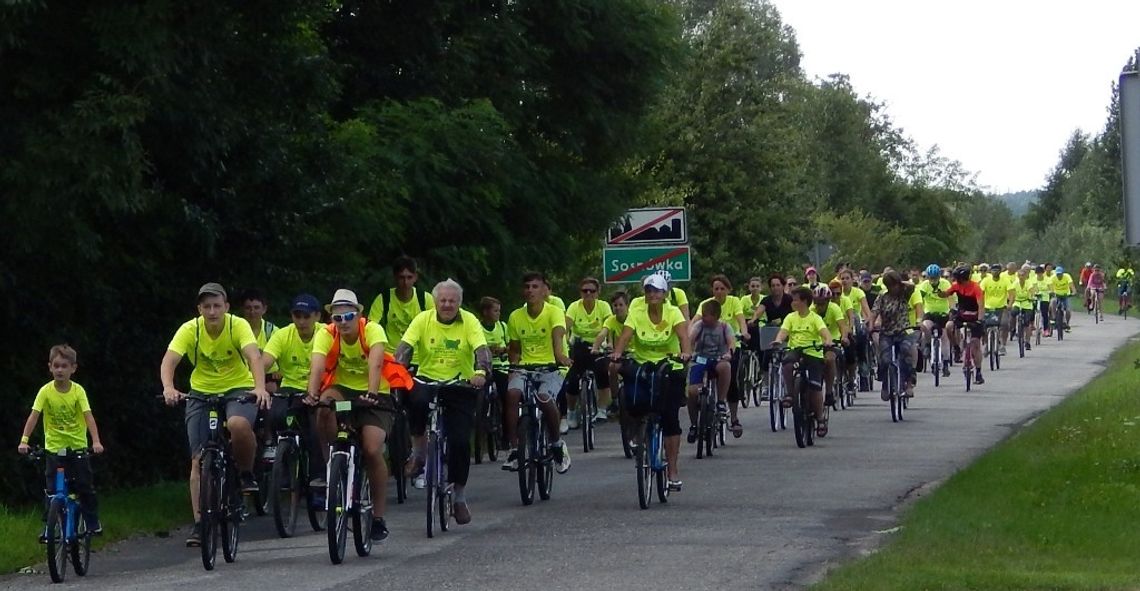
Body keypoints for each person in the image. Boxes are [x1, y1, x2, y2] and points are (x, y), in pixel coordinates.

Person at [161, 282, 269, 547]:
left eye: (216, 306)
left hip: (237, 388)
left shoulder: (237, 326)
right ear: (199, 309)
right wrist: (168, 388)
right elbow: (169, 360)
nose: (212, 311)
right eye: (206, 306)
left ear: (226, 307)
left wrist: (259, 387)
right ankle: (200, 524)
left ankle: (245, 473)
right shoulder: (190, 329)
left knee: (238, 424)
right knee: (197, 460)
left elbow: (254, 357)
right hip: (201, 392)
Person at [396, 279, 491, 525]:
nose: (447, 305)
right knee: (413, 398)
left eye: (452, 301)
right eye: (443, 301)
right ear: (435, 302)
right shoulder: (422, 319)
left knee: (460, 441)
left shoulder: (469, 320)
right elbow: (404, 348)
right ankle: (418, 454)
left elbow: (481, 350)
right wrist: (398, 369)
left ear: (459, 303)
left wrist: (481, 372)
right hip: (428, 379)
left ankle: (459, 497)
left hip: (460, 384)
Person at [307, 288, 398, 542]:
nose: (343, 322)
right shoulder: (326, 333)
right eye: (338, 318)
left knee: (371, 449)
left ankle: (378, 517)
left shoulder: (371, 329)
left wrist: (371, 392)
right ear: (331, 319)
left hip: (375, 391)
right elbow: (317, 365)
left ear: (358, 314)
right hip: (343, 391)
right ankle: (332, 464)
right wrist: (312, 395)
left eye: (348, 316)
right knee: (324, 406)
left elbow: (376, 363)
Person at [612, 273, 691, 490]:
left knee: (669, 417)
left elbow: (684, 336)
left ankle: (672, 470)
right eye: (648, 290)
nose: (652, 294)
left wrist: (685, 353)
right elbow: (626, 336)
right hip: (643, 365)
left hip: (669, 366)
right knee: (634, 400)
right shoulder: (636, 314)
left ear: (665, 294)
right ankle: (639, 434)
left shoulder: (673, 312)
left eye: (656, 290)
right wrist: (618, 353)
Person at [18, 344, 105, 536]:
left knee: (84, 485)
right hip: (54, 447)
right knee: (51, 490)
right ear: (50, 367)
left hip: (77, 447)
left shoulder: (78, 391)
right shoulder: (45, 391)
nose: (59, 370)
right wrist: (24, 440)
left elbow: (88, 416)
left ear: (73, 368)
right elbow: (34, 416)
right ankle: (50, 527)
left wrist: (96, 441)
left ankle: (92, 521)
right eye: (56, 365)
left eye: (64, 366)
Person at [502, 272, 573, 474]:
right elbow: (515, 349)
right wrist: (512, 368)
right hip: (525, 366)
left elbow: (558, 336)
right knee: (512, 394)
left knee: (543, 397)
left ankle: (557, 445)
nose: (531, 290)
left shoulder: (554, 312)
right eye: (527, 287)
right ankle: (515, 449)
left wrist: (560, 356)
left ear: (544, 290)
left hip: (552, 366)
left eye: (535, 286)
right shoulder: (516, 316)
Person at [261, 294, 324, 489]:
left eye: (306, 316)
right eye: (297, 316)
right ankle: (285, 461)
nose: (302, 321)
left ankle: (319, 475)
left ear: (317, 316)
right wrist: (257, 381)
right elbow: (266, 360)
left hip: (320, 386)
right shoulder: (283, 335)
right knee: (274, 414)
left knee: (316, 427)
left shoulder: (326, 333)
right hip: (291, 386)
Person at [772, 286, 834, 437]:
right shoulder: (790, 317)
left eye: (795, 300)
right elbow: (783, 332)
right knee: (786, 363)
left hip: (813, 352)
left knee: (815, 387)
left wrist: (827, 341)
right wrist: (778, 340)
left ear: (804, 301)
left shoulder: (815, 318)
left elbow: (825, 334)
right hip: (796, 350)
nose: (793, 303)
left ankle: (820, 419)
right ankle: (790, 394)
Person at [563, 277, 614, 429]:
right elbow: (566, 327)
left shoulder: (603, 306)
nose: (588, 293)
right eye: (585, 291)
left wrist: (610, 343)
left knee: (602, 373)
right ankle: (571, 412)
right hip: (579, 344)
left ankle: (602, 410)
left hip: (599, 345)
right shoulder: (574, 306)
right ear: (580, 292)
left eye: (592, 291)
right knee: (572, 378)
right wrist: (564, 343)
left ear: (597, 293)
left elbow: (608, 327)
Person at [369, 256, 435, 365]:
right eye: (401, 277)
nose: (405, 282)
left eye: (409, 277)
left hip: (420, 359)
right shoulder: (384, 299)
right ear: (395, 277)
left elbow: (438, 327)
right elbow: (371, 327)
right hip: (391, 358)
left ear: (415, 277)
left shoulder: (425, 299)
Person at [685, 299, 735, 443]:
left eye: (707, 315)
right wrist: (687, 352)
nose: (704, 318)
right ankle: (694, 424)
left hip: (718, 358)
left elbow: (731, 342)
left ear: (716, 316)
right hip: (700, 359)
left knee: (725, 367)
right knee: (692, 392)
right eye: (704, 315)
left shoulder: (725, 327)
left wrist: (729, 353)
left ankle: (720, 401)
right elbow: (690, 339)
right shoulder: (699, 326)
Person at [868, 271, 920, 398]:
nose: (894, 288)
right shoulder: (882, 296)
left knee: (906, 350)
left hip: (904, 330)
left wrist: (900, 282)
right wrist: (871, 327)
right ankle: (886, 384)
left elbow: (912, 286)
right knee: (885, 359)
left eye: (895, 285)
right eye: (891, 285)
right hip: (887, 331)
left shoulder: (904, 293)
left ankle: (908, 384)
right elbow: (874, 312)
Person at [940, 266, 986, 384]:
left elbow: (981, 305)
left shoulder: (976, 287)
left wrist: (980, 320)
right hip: (962, 314)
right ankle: (956, 347)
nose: (957, 281)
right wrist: (939, 293)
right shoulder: (956, 286)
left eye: (958, 278)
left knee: (975, 344)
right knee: (949, 326)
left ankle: (979, 372)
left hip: (975, 316)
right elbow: (946, 294)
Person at [591, 291, 631, 417]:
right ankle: (614, 400)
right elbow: (602, 334)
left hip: (635, 354)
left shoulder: (633, 318)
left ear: (627, 306)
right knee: (612, 368)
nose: (618, 308)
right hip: (617, 355)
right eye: (615, 305)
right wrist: (595, 348)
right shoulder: (611, 320)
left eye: (621, 305)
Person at [811, 285, 849, 407]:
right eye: (817, 303)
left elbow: (842, 325)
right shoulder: (811, 310)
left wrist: (844, 337)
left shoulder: (834, 308)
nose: (820, 306)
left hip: (833, 341)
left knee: (830, 359)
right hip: (816, 343)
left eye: (823, 303)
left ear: (828, 301)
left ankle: (828, 392)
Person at [479, 296, 511, 435]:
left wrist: (503, 350)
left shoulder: (503, 327)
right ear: (486, 312)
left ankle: (507, 433)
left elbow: (512, 346)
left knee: (506, 398)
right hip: (484, 368)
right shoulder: (477, 328)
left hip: (502, 367)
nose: (498, 313)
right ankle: (480, 423)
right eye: (495, 311)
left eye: (499, 311)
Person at [918, 264, 952, 377]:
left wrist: (952, 310)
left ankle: (946, 362)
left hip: (943, 313)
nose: (933, 280)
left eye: (935, 278)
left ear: (939, 276)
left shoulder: (945, 284)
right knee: (926, 327)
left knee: (945, 337)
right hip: (929, 313)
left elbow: (951, 298)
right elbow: (919, 300)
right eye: (930, 278)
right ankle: (928, 345)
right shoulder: (924, 285)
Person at [980, 264, 1014, 356]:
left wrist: (1010, 304)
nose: (995, 272)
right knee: (983, 325)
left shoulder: (1005, 280)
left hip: (1001, 307)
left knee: (1005, 324)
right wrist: (980, 306)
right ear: (990, 271)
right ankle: (987, 345)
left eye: (997, 270)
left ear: (1000, 271)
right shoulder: (986, 281)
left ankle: (1002, 345)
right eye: (993, 270)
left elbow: (1011, 294)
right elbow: (981, 294)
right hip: (987, 307)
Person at [1011, 267, 1037, 349]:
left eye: (1023, 275)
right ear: (1017, 276)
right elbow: (1011, 291)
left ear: (1025, 276)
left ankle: (1027, 341)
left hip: (1027, 302)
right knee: (1013, 312)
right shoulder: (1015, 283)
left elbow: (1031, 291)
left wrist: (1032, 296)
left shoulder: (1028, 283)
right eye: (1020, 275)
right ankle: (1013, 328)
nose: (1021, 277)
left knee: (1027, 323)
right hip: (1017, 302)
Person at [1052, 265, 1075, 331]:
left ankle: (1067, 323)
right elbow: (1050, 286)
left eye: (1060, 274)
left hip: (1065, 295)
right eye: (1057, 274)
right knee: (1053, 302)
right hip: (1057, 294)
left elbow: (1071, 285)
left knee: (1068, 310)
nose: (1059, 276)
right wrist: (1051, 292)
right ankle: (1054, 318)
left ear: (1062, 273)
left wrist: (1073, 292)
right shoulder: (1053, 278)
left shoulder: (1067, 276)